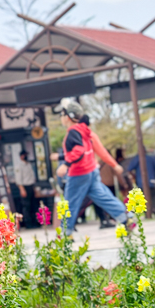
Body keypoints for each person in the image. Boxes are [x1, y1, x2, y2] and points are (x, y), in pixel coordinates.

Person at [55, 99, 130, 236]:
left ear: (68, 117)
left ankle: (66, 233)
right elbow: (95, 150)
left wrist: (65, 165)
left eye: (61, 114)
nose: (61, 118)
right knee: (102, 196)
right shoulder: (86, 131)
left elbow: (78, 150)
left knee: (70, 202)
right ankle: (125, 217)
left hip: (78, 172)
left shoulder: (72, 132)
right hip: (91, 170)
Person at [13, 150, 37, 228]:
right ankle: (28, 223)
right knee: (26, 206)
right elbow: (18, 180)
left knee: (33, 205)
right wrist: (22, 189)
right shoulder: (19, 166)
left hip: (31, 186)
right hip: (24, 187)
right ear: (22, 156)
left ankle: (34, 222)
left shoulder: (28, 164)